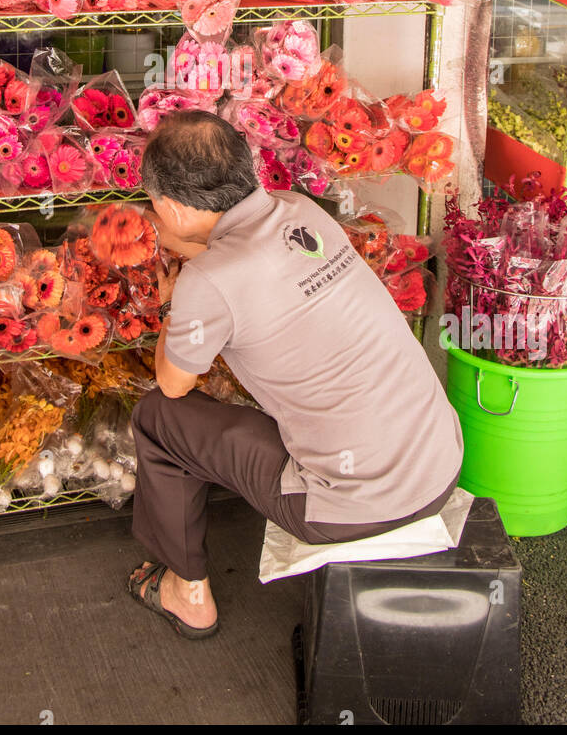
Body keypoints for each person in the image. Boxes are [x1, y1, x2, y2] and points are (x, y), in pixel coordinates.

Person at [127, 110, 463, 640]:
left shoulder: (206, 283)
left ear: (169, 206)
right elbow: (249, 261)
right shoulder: (300, 211)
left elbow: (174, 383)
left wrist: (175, 305)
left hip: (350, 506)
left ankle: (186, 591)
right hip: (440, 462)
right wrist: (184, 251)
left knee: (157, 417)